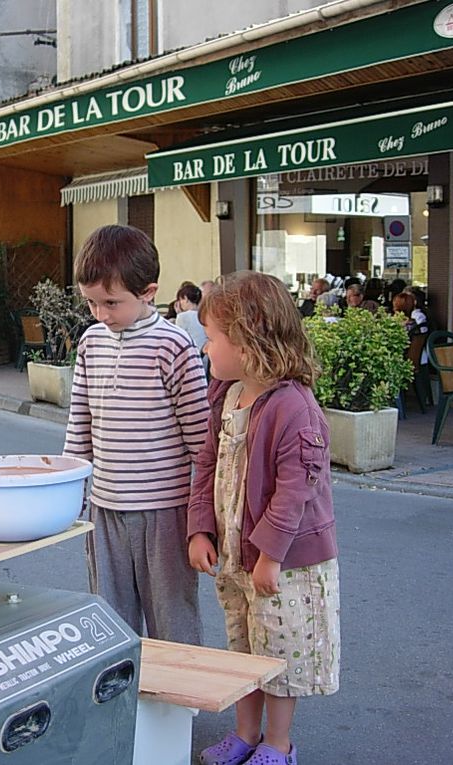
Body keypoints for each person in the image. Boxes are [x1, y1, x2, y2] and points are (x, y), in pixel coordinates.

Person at [189, 271, 340, 765]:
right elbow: (207, 464)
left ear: (249, 338)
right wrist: (199, 528)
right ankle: (244, 733)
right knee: (244, 648)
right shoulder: (228, 396)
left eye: (212, 338)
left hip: (282, 564)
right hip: (236, 555)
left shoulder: (294, 407)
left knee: (279, 654)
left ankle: (278, 744)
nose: (206, 349)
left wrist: (271, 556)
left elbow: (296, 489)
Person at [63, 224, 209, 643]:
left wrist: (203, 516)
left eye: (111, 303)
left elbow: (200, 438)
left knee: (171, 614)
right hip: (105, 507)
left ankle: (178, 705)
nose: (101, 315)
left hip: (165, 509)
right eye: (91, 303)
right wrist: (72, 492)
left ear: (148, 292)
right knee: (110, 618)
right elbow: (80, 425)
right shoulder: (92, 343)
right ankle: (125, 703)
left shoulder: (173, 345)